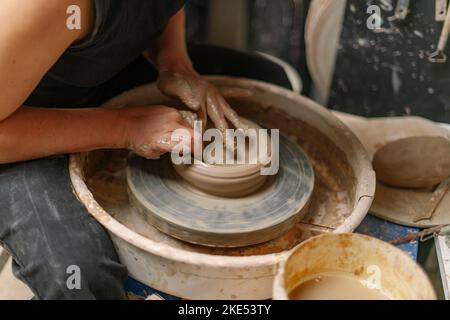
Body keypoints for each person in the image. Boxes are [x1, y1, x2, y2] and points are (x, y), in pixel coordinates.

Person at [0, 0, 244, 299]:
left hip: (102, 73)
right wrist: (124, 127)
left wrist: (175, 63)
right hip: (21, 127)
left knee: (266, 79)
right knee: (78, 278)